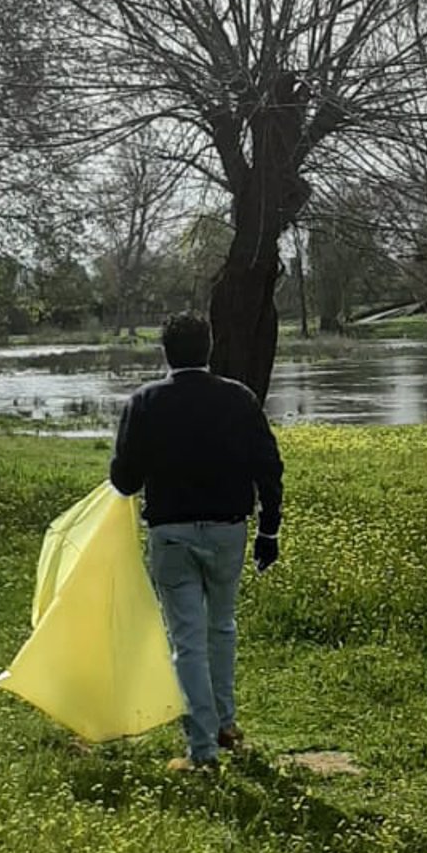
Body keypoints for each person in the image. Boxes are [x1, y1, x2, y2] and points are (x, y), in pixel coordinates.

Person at [110, 312, 284, 766]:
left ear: (164, 351)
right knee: (222, 626)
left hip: (171, 533)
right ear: (210, 347)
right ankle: (226, 723)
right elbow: (269, 467)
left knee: (187, 638)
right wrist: (270, 528)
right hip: (229, 529)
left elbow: (125, 481)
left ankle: (202, 748)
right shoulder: (239, 399)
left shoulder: (144, 403)